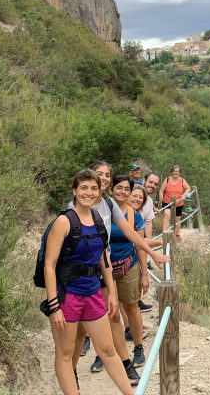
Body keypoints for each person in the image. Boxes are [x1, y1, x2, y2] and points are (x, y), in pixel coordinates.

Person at [71, 161, 169, 385]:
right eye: (99, 175)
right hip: (81, 274)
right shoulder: (74, 207)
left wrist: (152, 255)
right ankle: (72, 371)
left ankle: (125, 364)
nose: (104, 178)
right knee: (80, 328)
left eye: (107, 175)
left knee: (113, 315)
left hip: (104, 269)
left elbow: (132, 234)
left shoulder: (108, 204)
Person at [44, 169, 134, 395]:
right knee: (65, 355)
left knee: (107, 349)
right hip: (68, 296)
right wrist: (54, 306)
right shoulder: (64, 222)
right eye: (83, 188)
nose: (89, 192)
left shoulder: (98, 219)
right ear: (74, 191)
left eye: (93, 188)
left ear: (100, 191)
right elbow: (49, 265)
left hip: (93, 293)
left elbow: (104, 258)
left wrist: (112, 292)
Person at [106, 176, 158, 369]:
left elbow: (140, 245)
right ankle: (112, 351)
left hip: (129, 265)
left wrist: (145, 274)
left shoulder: (134, 216)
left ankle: (138, 348)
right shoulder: (101, 211)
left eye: (126, 189)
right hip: (104, 268)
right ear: (112, 190)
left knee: (131, 308)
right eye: (119, 188)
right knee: (110, 312)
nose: (122, 192)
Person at [129, 181, 157, 312]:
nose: (138, 200)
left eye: (141, 198)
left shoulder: (137, 216)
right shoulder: (116, 214)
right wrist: (159, 244)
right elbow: (139, 242)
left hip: (128, 260)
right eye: (134, 196)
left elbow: (139, 241)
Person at [159, 165, 191, 242]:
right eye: (174, 171)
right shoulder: (167, 180)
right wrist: (161, 196)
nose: (175, 173)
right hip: (167, 202)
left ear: (180, 173)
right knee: (167, 216)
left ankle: (177, 235)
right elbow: (161, 190)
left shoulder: (182, 180)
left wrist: (184, 195)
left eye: (177, 172)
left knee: (177, 219)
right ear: (171, 172)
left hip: (178, 203)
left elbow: (188, 188)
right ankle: (164, 234)